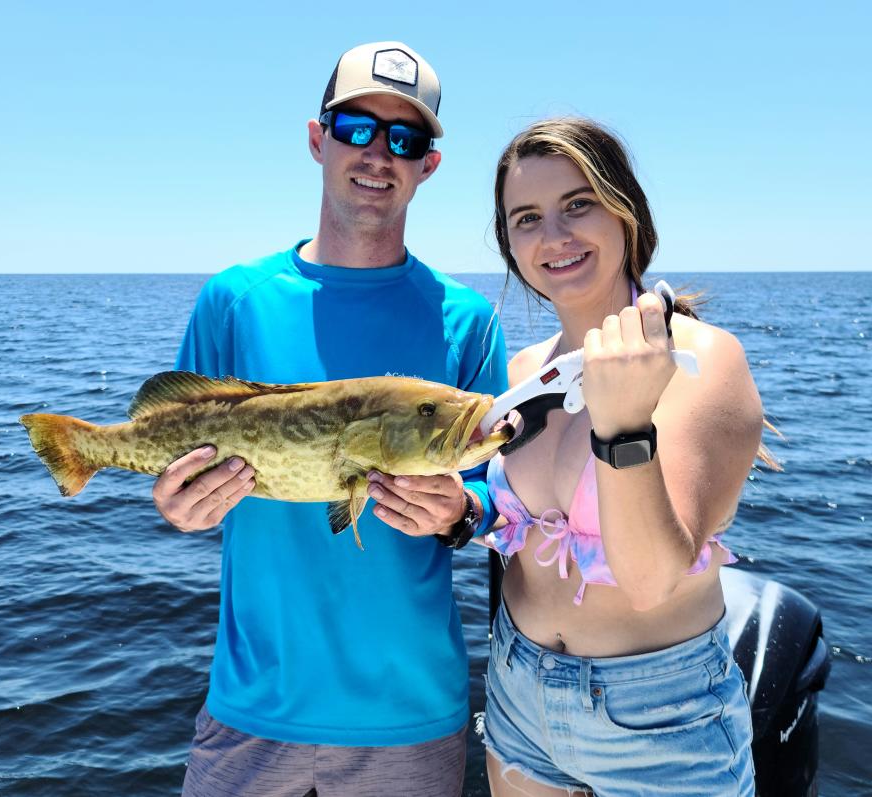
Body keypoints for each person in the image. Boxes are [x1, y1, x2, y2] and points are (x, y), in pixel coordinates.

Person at [151, 42, 508, 797]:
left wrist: (459, 512)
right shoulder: (233, 300)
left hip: (410, 717)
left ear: (428, 166)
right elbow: (175, 453)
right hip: (252, 708)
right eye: (356, 128)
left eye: (405, 139)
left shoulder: (468, 323)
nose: (378, 153)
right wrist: (177, 505)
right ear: (317, 138)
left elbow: (502, 501)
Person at [480, 118, 764, 796]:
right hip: (518, 690)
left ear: (624, 209)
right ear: (510, 243)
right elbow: (521, 537)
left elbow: (649, 582)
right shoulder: (522, 369)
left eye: (578, 204)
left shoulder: (702, 359)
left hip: (659, 718)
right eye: (527, 217)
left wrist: (621, 423)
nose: (553, 236)